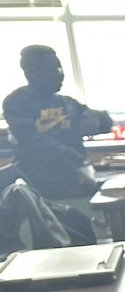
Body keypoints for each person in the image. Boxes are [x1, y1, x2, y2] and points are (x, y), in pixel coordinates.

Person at [2, 45, 113, 199]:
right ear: (31, 73)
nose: (61, 75)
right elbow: (34, 142)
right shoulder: (16, 102)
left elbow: (104, 122)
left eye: (60, 69)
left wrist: (95, 120)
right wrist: (77, 159)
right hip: (39, 184)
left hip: (74, 179)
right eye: (52, 70)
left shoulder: (66, 103)